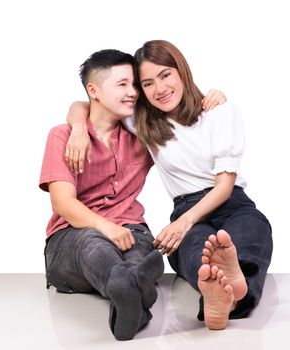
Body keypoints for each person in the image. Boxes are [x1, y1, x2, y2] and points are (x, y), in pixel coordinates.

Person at [65, 40, 272, 331]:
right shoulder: (142, 122)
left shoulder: (219, 112)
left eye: (165, 75)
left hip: (232, 204)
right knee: (194, 253)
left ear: (181, 71)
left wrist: (183, 223)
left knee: (249, 240)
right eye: (148, 83)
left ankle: (230, 296)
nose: (159, 89)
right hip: (186, 209)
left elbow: (224, 186)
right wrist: (77, 129)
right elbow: (86, 103)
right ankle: (221, 292)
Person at [39, 49, 167, 341]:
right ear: (93, 91)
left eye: (135, 85)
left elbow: (181, 110)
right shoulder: (62, 135)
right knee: (94, 244)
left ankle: (129, 300)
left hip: (130, 229)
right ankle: (137, 290)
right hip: (71, 239)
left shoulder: (144, 134)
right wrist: (78, 126)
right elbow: (63, 203)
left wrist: (214, 98)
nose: (133, 92)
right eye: (123, 84)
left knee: (137, 250)